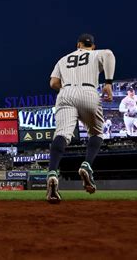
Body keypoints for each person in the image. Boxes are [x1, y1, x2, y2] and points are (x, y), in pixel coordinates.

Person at [47, 33, 115, 204]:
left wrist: (67, 88)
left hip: (66, 93)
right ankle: (86, 165)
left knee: (61, 134)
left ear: (78, 44)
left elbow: (53, 83)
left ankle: (52, 173)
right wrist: (108, 83)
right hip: (88, 91)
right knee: (97, 133)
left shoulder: (63, 59)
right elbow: (109, 54)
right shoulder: (96, 53)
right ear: (92, 46)